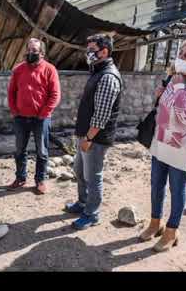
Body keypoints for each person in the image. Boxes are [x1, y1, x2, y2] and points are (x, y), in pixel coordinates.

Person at [139, 41, 186, 252]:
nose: (181, 58)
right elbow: (164, 109)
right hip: (161, 140)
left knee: (177, 189)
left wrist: (179, 86)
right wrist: (160, 95)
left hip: (182, 147)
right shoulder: (172, 79)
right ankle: (156, 223)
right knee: (156, 185)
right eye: (180, 53)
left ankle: (172, 232)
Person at [65, 34, 123, 230]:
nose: (88, 53)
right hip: (86, 134)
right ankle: (82, 203)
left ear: (104, 51)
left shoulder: (108, 76)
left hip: (95, 138)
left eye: (92, 50)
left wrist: (89, 137)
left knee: (93, 176)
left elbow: (102, 114)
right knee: (79, 171)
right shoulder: (97, 71)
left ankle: (91, 214)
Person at [7, 38, 61, 195]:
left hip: (41, 119)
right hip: (21, 118)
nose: (30, 53)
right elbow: (11, 92)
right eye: (29, 50)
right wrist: (15, 111)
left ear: (42, 53)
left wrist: (44, 113)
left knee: (42, 151)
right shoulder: (18, 69)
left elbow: (55, 95)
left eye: (34, 51)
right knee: (19, 150)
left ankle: (40, 180)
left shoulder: (49, 69)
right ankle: (20, 177)